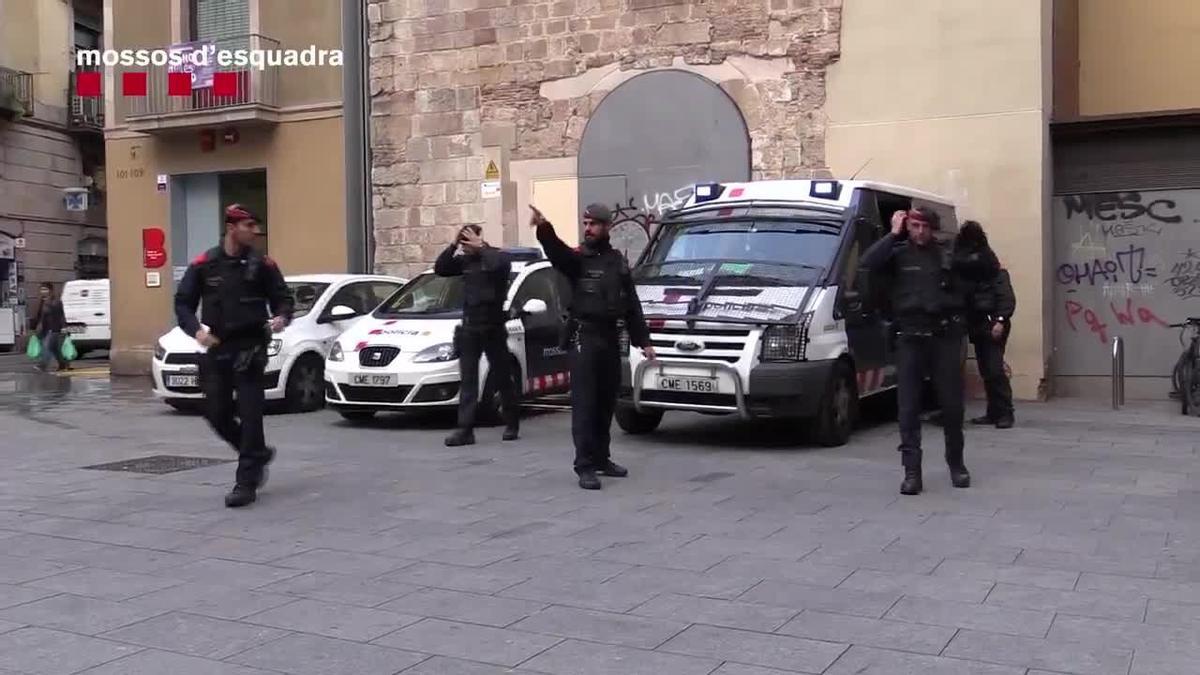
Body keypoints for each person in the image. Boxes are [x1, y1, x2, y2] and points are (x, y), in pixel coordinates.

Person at [860, 207, 997, 495]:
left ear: (932, 228)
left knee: (951, 406)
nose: (919, 231)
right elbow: (867, 262)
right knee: (908, 408)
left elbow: (988, 266)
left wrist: (969, 242)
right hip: (909, 337)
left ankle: (956, 465)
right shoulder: (896, 253)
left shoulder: (948, 254)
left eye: (924, 226)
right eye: (914, 225)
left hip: (943, 337)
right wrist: (893, 233)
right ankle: (912, 472)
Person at [174, 204, 294, 508]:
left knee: (251, 413)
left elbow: (283, 299)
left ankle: (246, 482)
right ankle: (255, 452)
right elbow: (183, 303)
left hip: (251, 345)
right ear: (232, 227)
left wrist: (281, 317)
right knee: (216, 411)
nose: (255, 231)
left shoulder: (263, 265)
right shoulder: (205, 264)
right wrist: (196, 331)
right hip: (218, 345)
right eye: (249, 225)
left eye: (255, 226)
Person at [532, 203, 656, 490]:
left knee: (605, 402)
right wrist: (544, 228)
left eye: (593, 224)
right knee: (585, 404)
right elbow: (558, 254)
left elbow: (632, 305)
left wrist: (644, 342)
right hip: (583, 338)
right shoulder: (578, 260)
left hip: (610, 339)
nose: (587, 229)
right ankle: (584, 465)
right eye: (585, 223)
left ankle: (602, 458)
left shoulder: (617, 262)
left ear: (606, 227)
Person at [434, 224, 519, 446]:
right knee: (469, 380)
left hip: (493, 327)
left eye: (468, 241)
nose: (465, 246)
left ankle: (512, 421)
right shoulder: (465, 261)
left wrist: (480, 247)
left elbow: (497, 265)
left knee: (501, 376)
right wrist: (453, 244)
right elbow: (441, 268)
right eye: (463, 242)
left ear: (480, 238)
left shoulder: (495, 257)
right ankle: (465, 430)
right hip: (470, 328)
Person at [956, 221, 1016, 429]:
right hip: (979, 324)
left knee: (994, 370)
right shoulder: (972, 273)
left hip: (992, 324)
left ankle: (1005, 413)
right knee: (987, 370)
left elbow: (1006, 298)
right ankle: (994, 412)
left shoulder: (995, 271)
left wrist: (1000, 320)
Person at [30, 282, 68, 372]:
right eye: (42, 289)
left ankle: (42, 365)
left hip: (53, 328)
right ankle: (63, 364)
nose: (43, 291)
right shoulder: (39, 302)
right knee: (54, 349)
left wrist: (63, 327)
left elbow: (61, 315)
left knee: (46, 347)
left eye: (46, 289)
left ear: (50, 291)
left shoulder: (56, 302)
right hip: (43, 329)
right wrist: (33, 327)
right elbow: (36, 316)